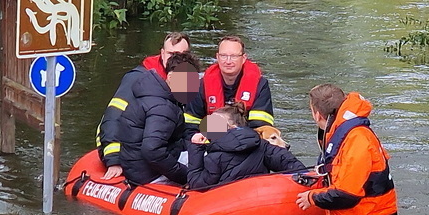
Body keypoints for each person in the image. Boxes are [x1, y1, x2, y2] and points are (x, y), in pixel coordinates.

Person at [295, 83, 401, 215]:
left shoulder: (357, 140)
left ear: (317, 114)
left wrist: (312, 197)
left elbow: (347, 195)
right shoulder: (342, 135)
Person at [98, 53, 199, 186]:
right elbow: (152, 150)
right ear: (170, 77)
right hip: (148, 174)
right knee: (208, 162)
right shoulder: (163, 107)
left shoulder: (153, 93)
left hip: (136, 167)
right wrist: (184, 175)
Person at [185, 107, 305, 192]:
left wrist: (195, 148)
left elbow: (197, 185)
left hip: (228, 207)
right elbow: (288, 162)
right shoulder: (262, 145)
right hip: (261, 198)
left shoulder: (215, 156)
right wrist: (307, 177)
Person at [201, 35, 275, 134]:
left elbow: (261, 127)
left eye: (234, 56)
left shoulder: (260, 85)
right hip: (210, 139)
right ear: (217, 57)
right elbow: (192, 124)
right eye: (223, 56)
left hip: (247, 141)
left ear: (243, 58)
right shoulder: (203, 84)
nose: (228, 61)